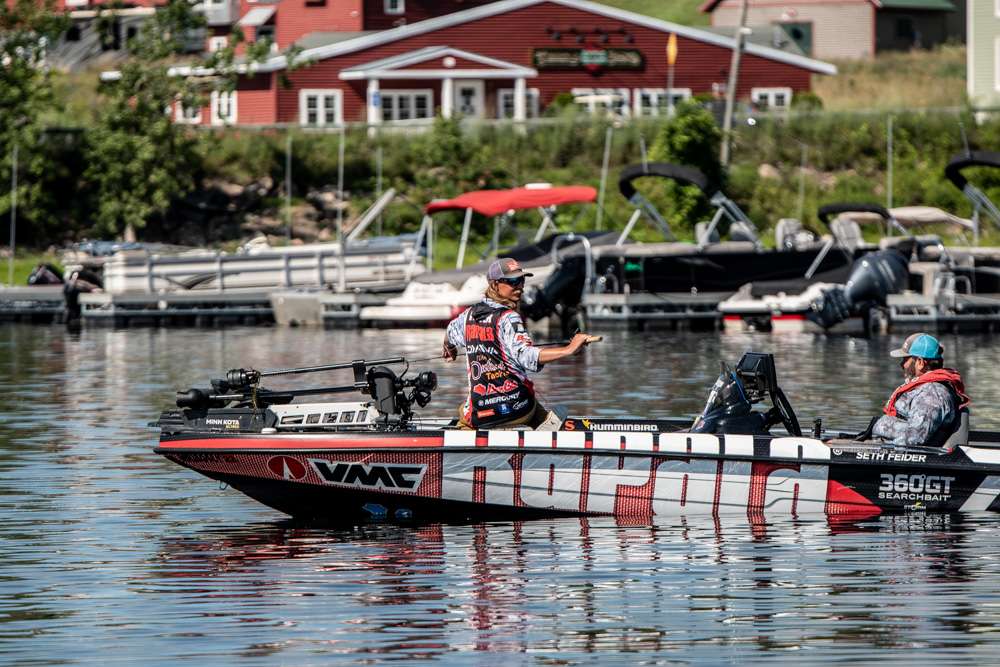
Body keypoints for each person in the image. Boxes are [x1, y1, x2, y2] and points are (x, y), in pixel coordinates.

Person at [443, 257, 596, 430]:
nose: (520, 287)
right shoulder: (509, 317)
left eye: (521, 280)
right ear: (495, 284)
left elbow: (449, 332)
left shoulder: (467, 316)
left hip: (483, 414)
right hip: (519, 409)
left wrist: (449, 347)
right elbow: (527, 356)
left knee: (467, 411)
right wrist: (569, 349)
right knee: (523, 393)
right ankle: (543, 422)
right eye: (512, 282)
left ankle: (466, 432)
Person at [869, 333, 971, 447]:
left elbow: (914, 438)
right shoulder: (925, 388)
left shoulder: (931, 395)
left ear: (920, 363)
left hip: (899, 453)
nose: (901, 364)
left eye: (905, 359)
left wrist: (881, 432)